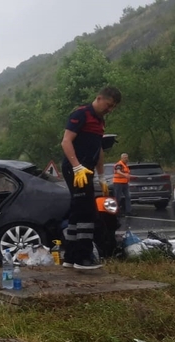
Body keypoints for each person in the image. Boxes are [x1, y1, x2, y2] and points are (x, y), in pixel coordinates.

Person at [60, 86, 122, 270]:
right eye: (108, 105)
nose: (109, 110)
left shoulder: (100, 121)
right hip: (75, 169)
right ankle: (83, 258)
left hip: (87, 169)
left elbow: (98, 149)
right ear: (99, 98)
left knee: (77, 210)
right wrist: (76, 166)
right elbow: (66, 141)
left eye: (113, 108)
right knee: (87, 211)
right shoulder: (81, 114)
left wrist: (101, 176)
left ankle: (70, 257)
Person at [113, 153, 132, 217]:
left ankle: (128, 211)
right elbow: (118, 171)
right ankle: (117, 212)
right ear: (122, 158)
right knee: (118, 198)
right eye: (125, 158)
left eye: (127, 157)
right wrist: (125, 175)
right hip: (118, 183)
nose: (126, 159)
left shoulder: (126, 165)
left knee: (128, 197)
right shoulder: (119, 164)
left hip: (125, 183)